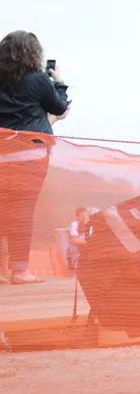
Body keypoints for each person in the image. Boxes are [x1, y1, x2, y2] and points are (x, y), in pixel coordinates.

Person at [0, 31, 70, 285]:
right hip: (31, 155)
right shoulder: (38, 79)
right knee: (22, 211)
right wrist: (59, 81)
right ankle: (20, 270)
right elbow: (59, 107)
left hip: (1, 154)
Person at [67, 206, 92, 271]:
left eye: (86, 215)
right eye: (83, 215)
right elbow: (75, 241)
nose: (85, 217)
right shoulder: (74, 225)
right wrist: (88, 242)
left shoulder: (90, 225)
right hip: (76, 252)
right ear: (77, 217)